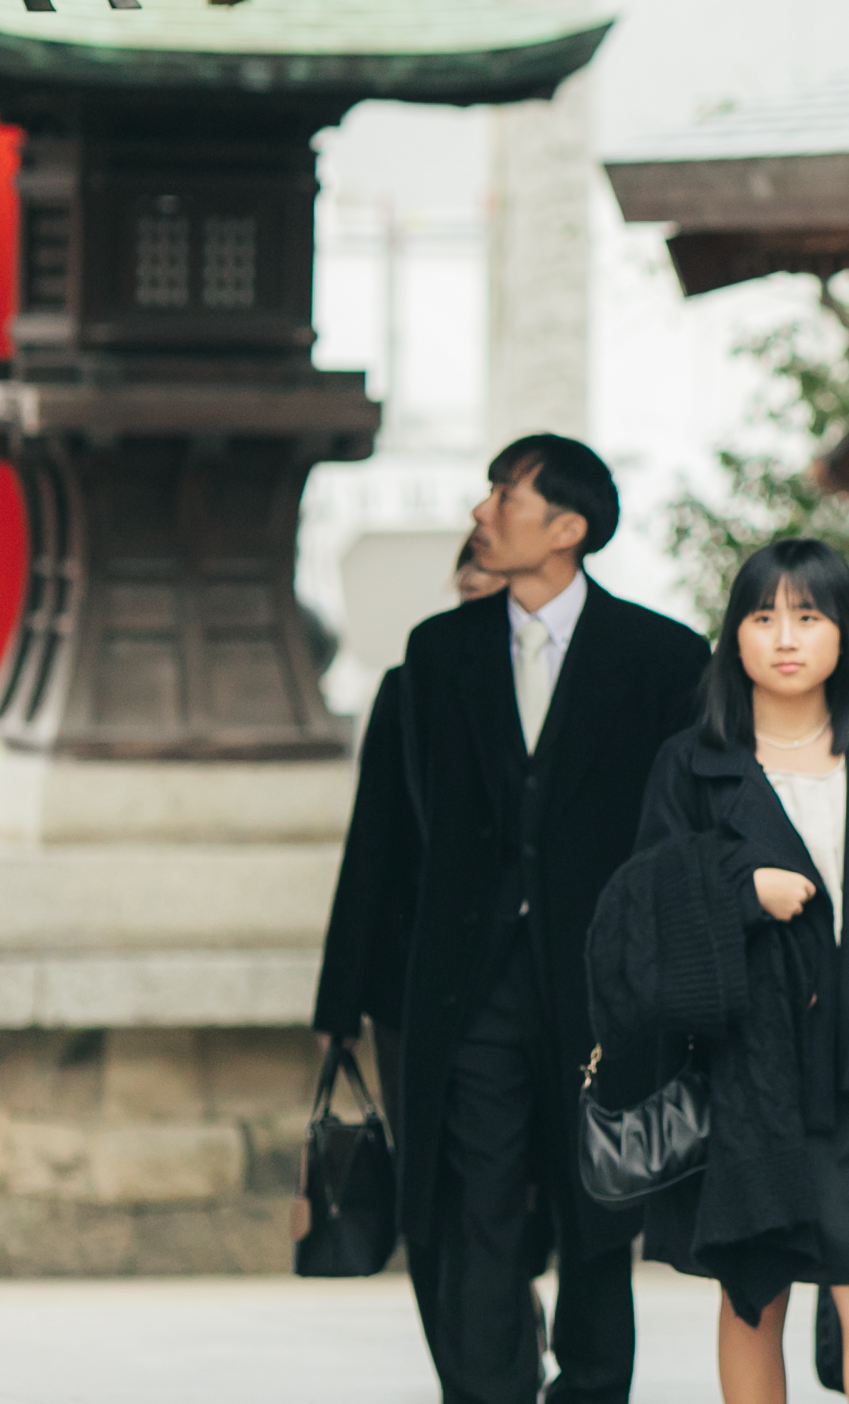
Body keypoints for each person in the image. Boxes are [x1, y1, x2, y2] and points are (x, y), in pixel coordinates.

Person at [309, 435, 704, 1404]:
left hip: (601, 992)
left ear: (567, 529)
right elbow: (397, 842)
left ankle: (593, 1386)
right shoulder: (438, 656)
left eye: (505, 495)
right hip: (471, 989)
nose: (483, 511)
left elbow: (690, 838)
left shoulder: (660, 658)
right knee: (476, 1207)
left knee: (596, 1210)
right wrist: (346, 994)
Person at [623, 538, 849, 1404]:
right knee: (755, 1294)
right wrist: (741, 892)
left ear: (844, 634)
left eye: (808, 615)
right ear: (734, 637)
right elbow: (646, 915)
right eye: (762, 617)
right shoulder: (692, 765)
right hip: (746, 1077)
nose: (785, 637)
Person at [309, 537, 509, 1381]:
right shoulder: (411, 685)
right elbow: (374, 850)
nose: (478, 593)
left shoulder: (577, 687)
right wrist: (338, 1004)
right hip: (413, 983)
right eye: (468, 580)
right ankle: (472, 1369)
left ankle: (501, 1334)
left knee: (508, 1194)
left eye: (492, 579)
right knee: (437, 1186)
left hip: (529, 986)